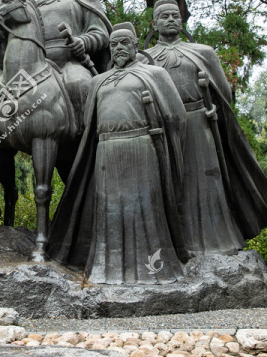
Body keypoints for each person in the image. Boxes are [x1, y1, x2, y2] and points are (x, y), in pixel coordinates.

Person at [48, 23, 187, 284]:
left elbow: (176, 117)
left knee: (145, 209)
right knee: (108, 212)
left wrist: (166, 146)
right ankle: (105, 271)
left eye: (125, 42)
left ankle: (155, 272)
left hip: (141, 148)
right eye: (114, 44)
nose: (119, 48)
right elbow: (89, 126)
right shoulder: (98, 80)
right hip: (106, 152)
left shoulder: (154, 74)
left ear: (136, 46)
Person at [144, 0, 267, 258]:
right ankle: (173, 245)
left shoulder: (203, 52)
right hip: (165, 127)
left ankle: (216, 241)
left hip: (198, 122)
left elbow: (225, 93)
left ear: (182, 22)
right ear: (154, 24)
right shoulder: (146, 58)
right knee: (169, 183)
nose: (170, 20)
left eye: (175, 16)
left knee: (206, 180)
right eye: (164, 17)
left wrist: (212, 97)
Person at [35, 0, 111, 128]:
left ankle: (82, 136)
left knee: (79, 85)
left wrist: (83, 42)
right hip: (39, 65)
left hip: (71, 62)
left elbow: (101, 34)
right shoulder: (37, 4)